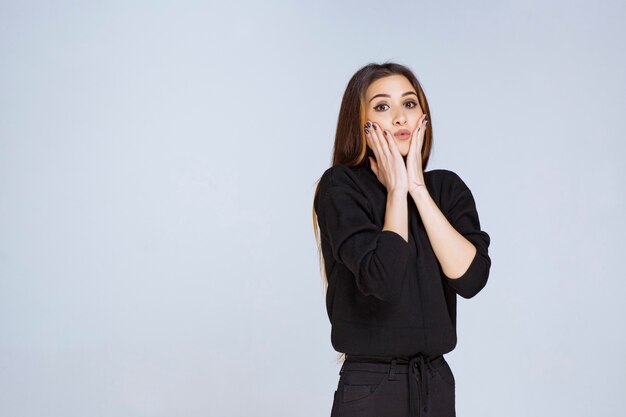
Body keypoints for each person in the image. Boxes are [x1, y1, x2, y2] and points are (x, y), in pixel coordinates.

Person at [312, 62, 492, 417]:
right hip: (372, 386)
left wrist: (417, 189)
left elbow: (470, 280)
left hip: (435, 383)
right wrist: (395, 191)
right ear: (360, 123)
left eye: (409, 104)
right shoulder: (341, 187)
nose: (399, 117)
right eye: (382, 106)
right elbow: (383, 277)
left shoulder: (446, 189)